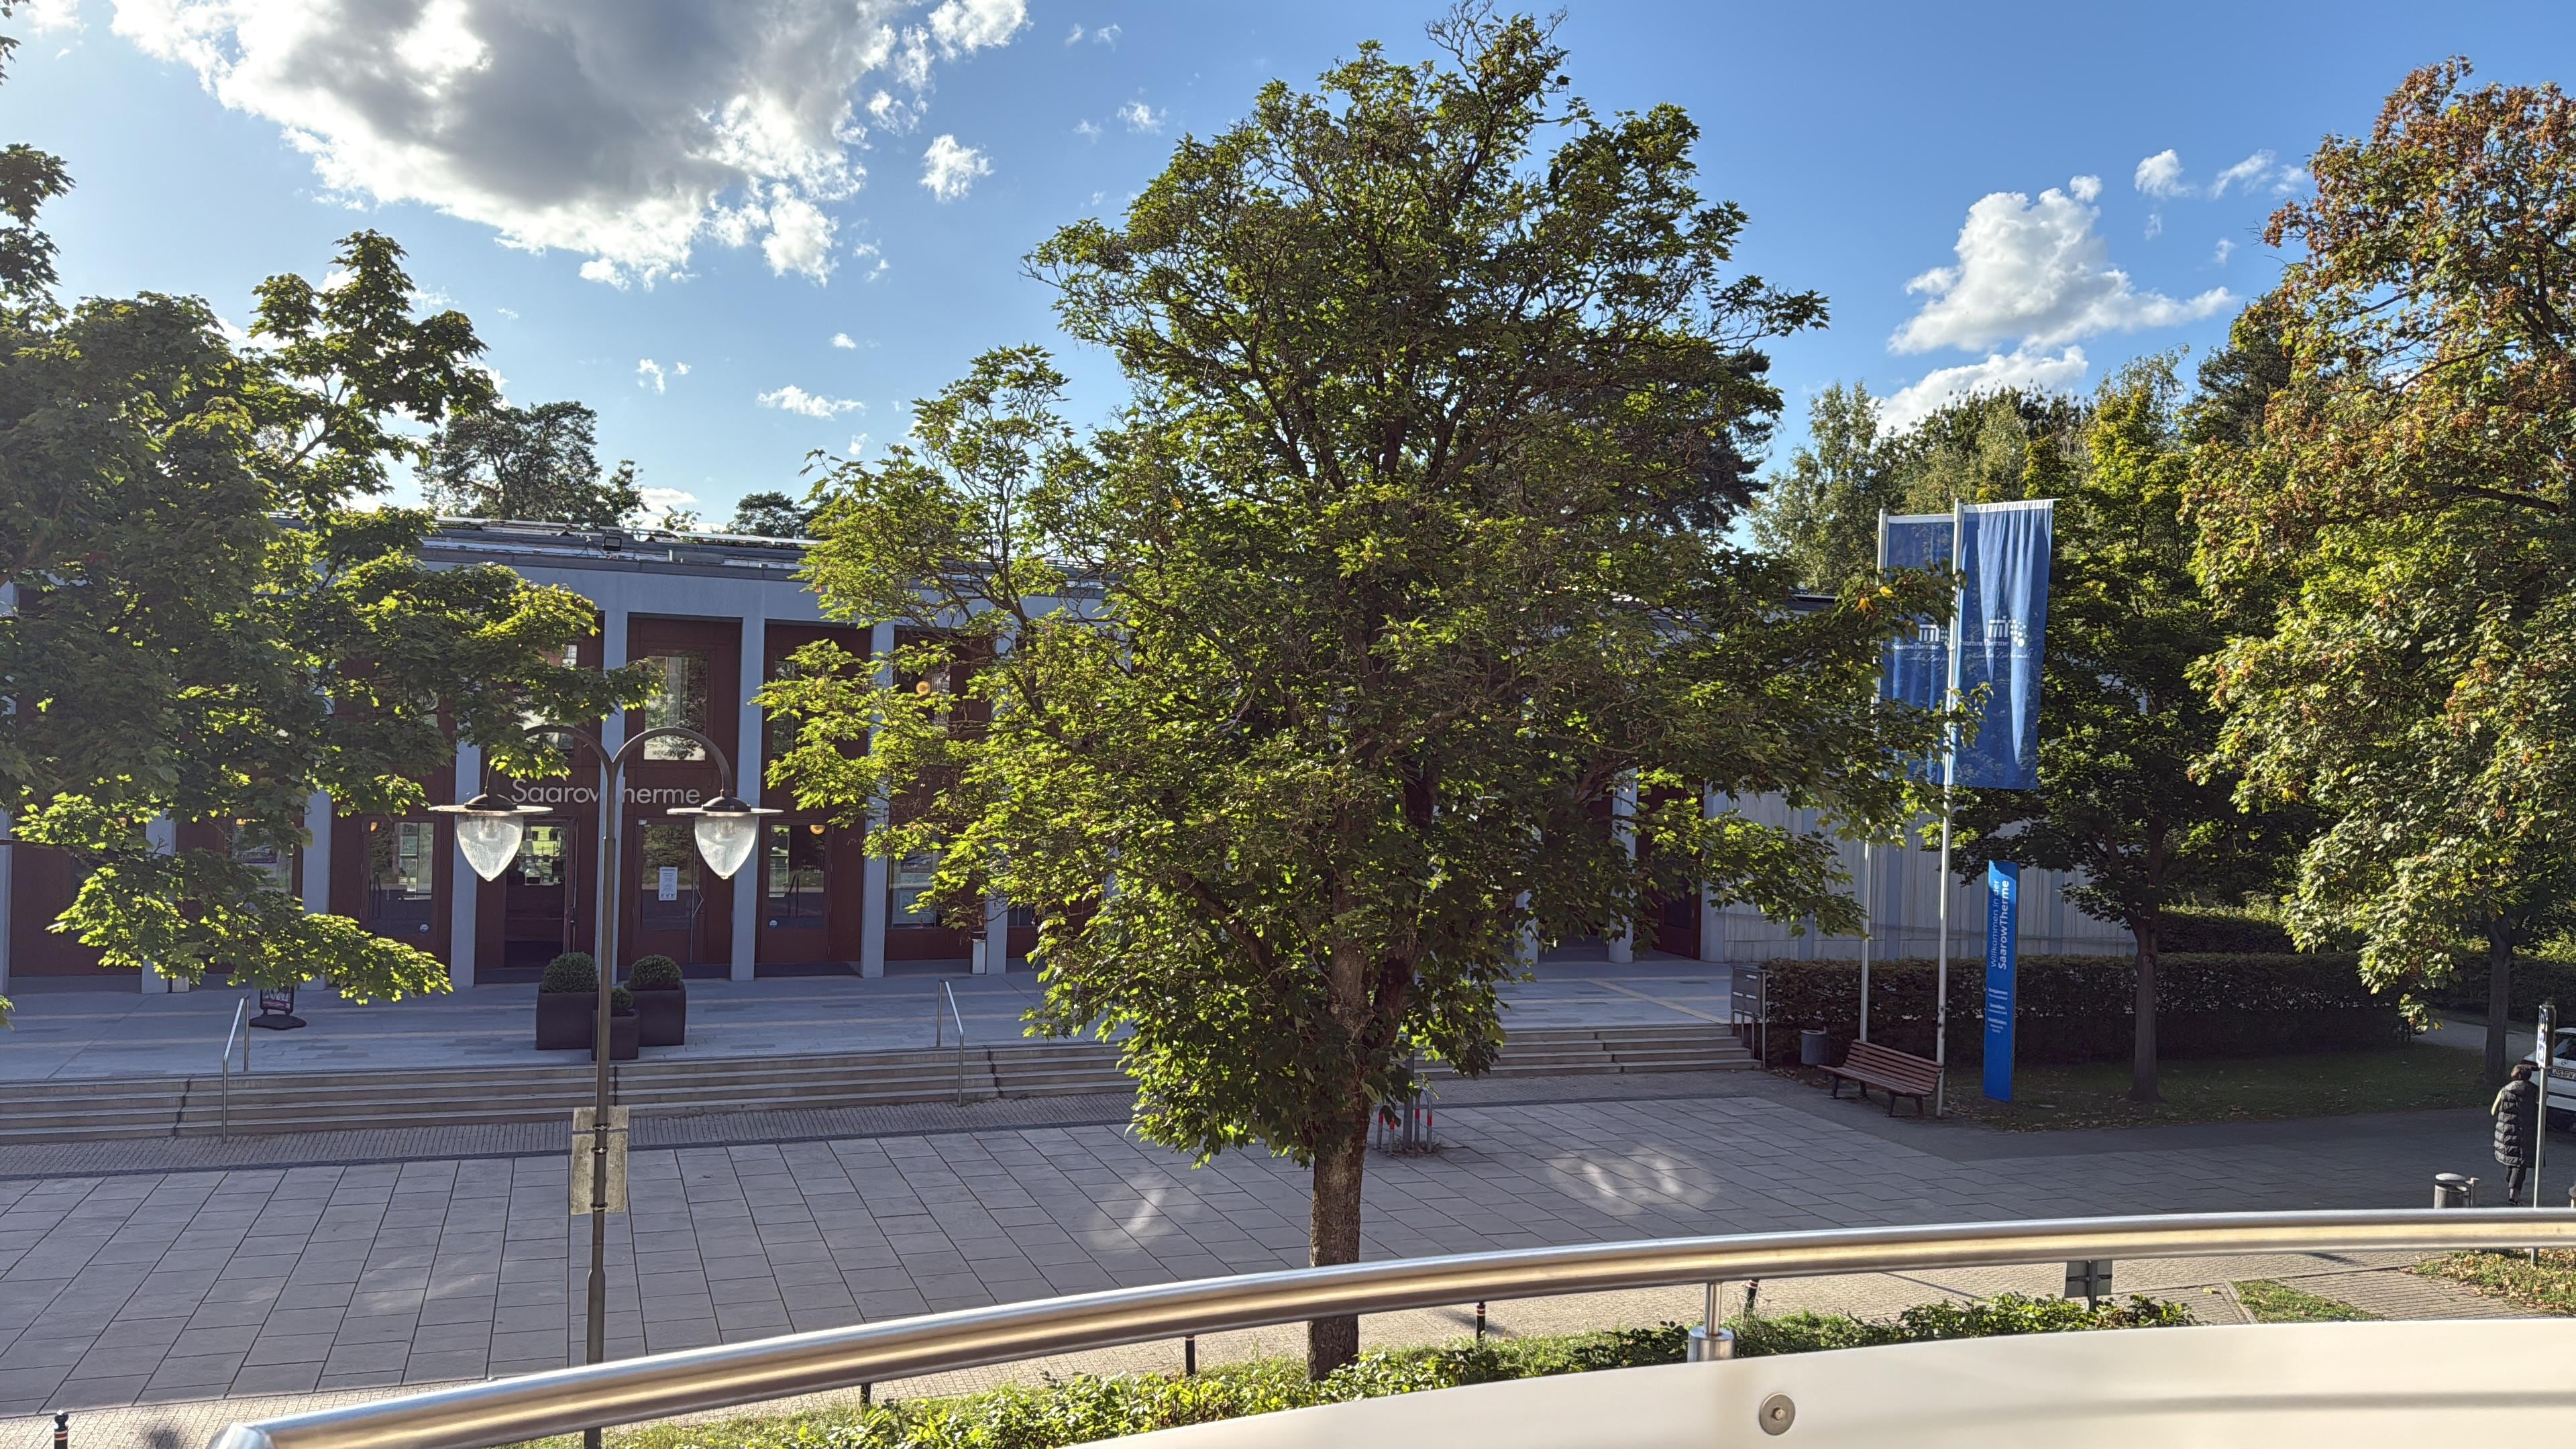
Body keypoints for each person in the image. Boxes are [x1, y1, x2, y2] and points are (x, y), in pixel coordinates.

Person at [2493, 1060, 2542, 1205]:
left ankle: (2511, 1184)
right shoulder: (2535, 1090)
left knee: (2513, 1159)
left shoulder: (2505, 1090)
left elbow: (2494, 1111)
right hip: (2527, 1132)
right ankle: (2514, 1196)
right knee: (2520, 1164)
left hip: (2507, 1132)